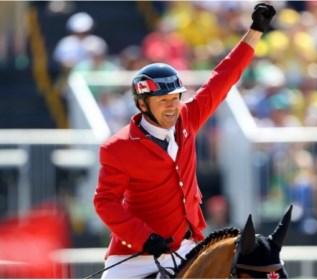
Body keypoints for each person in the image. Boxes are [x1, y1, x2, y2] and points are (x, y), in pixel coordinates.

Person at [93, 3, 276, 279]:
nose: (172, 107)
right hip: (136, 257)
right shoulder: (116, 147)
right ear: (142, 104)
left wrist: (255, 31)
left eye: (175, 98)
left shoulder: (187, 118)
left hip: (188, 248)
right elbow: (105, 203)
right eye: (163, 101)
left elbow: (222, 79)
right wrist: (143, 237)